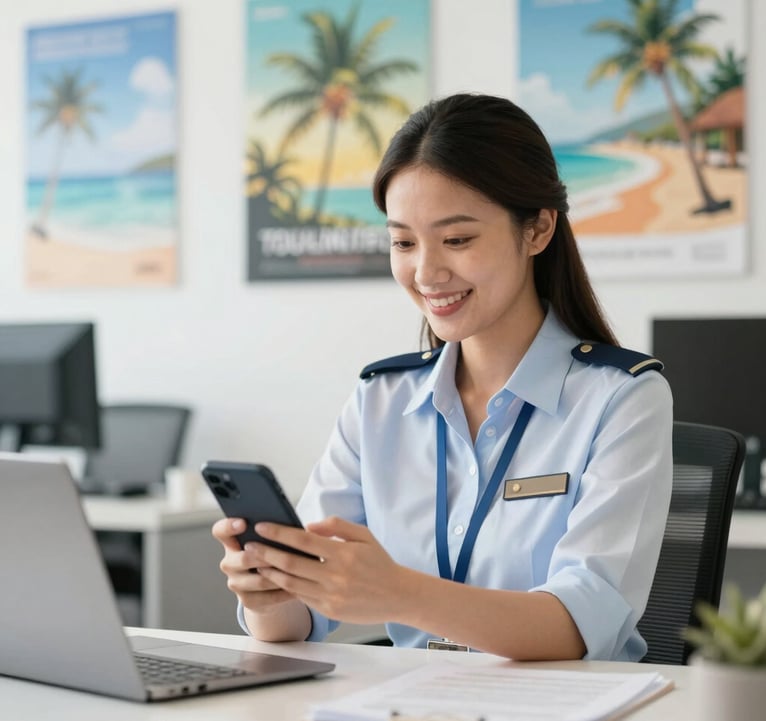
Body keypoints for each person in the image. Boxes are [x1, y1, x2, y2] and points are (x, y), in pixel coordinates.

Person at [212, 93, 673, 662]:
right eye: (403, 242)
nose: (426, 273)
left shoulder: (623, 397)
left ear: (537, 230)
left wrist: (399, 593)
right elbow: (299, 620)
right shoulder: (379, 399)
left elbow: (579, 626)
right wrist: (268, 588)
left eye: (457, 239)